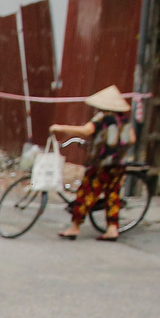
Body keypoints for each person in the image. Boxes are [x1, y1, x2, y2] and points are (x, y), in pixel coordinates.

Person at [51, 85, 135, 241]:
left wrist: (59, 128)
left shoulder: (102, 118)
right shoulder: (124, 119)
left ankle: (75, 227)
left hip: (101, 163)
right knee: (113, 194)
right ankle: (112, 229)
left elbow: (86, 131)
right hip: (118, 164)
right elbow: (132, 139)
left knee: (87, 193)